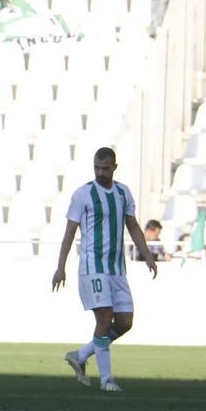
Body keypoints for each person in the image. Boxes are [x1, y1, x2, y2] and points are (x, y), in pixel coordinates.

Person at [51, 147, 159, 393]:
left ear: (114, 167)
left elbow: (133, 226)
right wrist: (60, 267)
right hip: (93, 267)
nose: (100, 172)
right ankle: (106, 379)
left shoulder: (123, 193)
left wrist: (148, 255)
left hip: (117, 269)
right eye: (97, 168)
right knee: (104, 318)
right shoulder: (83, 194)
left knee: (124, 322)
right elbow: (70, 232)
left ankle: (80, 355)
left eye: (105, 168)